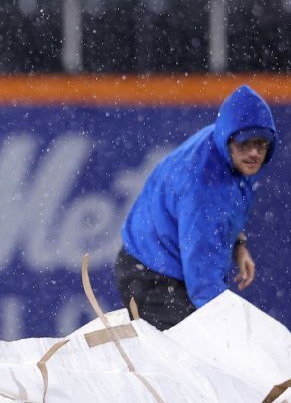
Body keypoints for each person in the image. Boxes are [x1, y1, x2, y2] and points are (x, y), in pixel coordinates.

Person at [114, 84, 277, 330]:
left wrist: (238, 244)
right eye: (245, 144)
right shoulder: (205, 187)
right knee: (193, 358)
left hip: (160, 264)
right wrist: (230, 332)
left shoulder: (226, 150)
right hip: (152, 275)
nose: (254, 153)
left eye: (261, 144)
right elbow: (203, 282)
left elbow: (224, 215)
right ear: (229, 139)